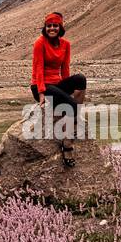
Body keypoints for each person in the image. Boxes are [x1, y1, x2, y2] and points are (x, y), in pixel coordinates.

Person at [31, 11, 86, 166]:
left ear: (60, 27)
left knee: (80, 78)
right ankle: (67, 145)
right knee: (72, 107)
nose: (52, 29)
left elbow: (65, 69)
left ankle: (74, 117)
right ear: (45, 27)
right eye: (49, 26)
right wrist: (41, 93)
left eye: (55, 25)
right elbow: (38, 68)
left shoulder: (65, 44)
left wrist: (66, 91)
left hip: (57, 85)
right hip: (40, 85)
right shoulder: (39, 43)